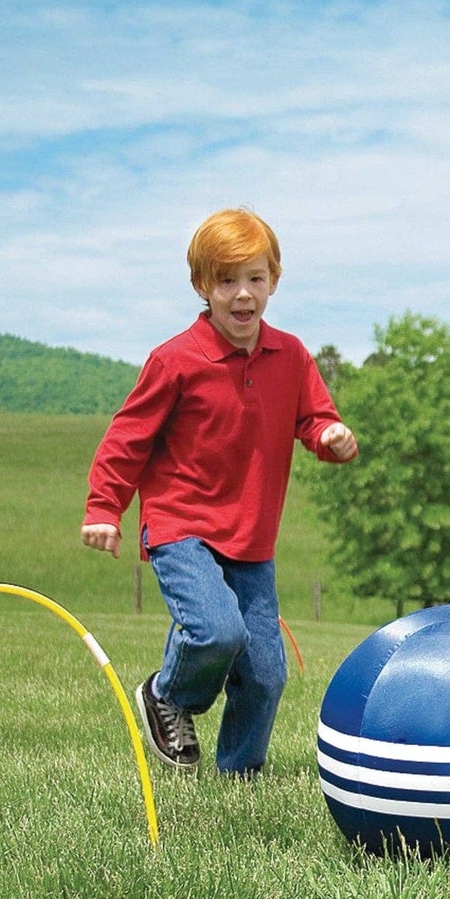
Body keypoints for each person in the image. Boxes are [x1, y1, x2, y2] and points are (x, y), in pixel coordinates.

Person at [81, 207, 358, 776]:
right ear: (201, 286)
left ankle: (239, 777)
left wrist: (330, 436)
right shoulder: (175, 360)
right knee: (216, 629)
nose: (241, 294)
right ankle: (167, 695)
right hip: (181, 525)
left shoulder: (291, 355)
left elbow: (314, 420)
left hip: (252, 537)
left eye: (255, 279)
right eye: (226, 280)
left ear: (274, 281)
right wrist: (105, 506)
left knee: (265, 674)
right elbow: (127, 439)